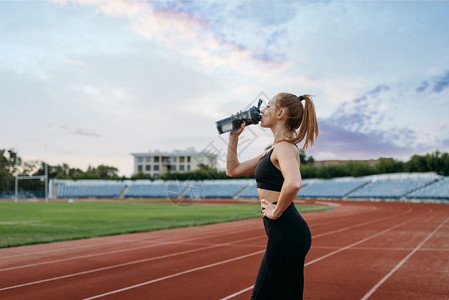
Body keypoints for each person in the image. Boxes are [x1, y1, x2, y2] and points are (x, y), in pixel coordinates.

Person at [226, 93, 319, 299]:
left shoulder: (284, 147)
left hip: (287, 233)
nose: (262, 111)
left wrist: (276, 210)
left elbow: (294, 182)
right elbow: (233, 170)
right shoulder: (272, 150)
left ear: (281, 113)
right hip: (282, 234)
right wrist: (234, 138)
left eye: (268, 106)